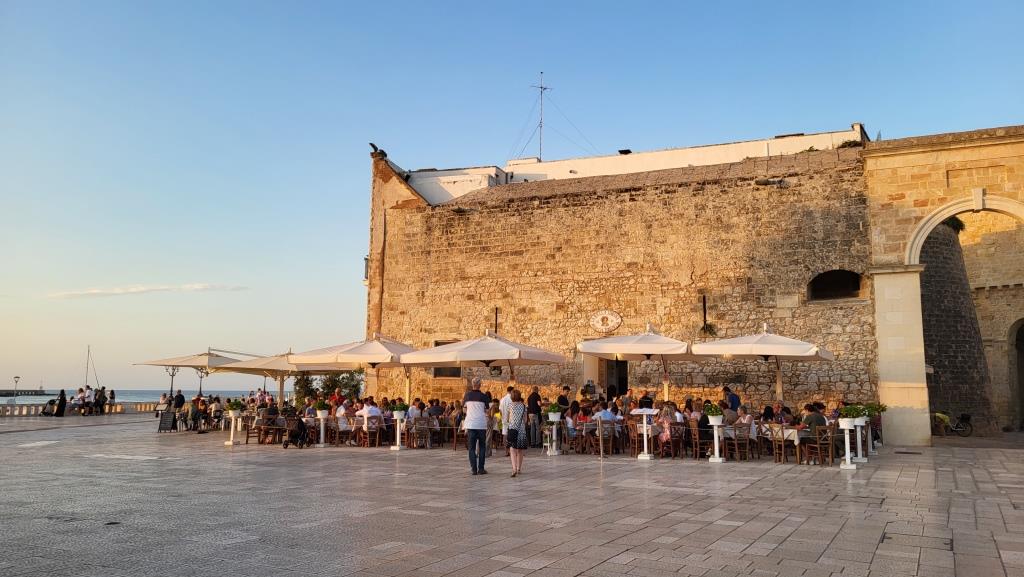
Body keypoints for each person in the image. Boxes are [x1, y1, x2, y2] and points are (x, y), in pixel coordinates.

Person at [463, 377, 489, 475]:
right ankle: (481, 469)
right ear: (480, 385)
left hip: (471, 424)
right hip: (481, 424)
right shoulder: (484, 396)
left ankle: (474, 469)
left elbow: (464, 409)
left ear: (472, 384)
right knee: (482, 447)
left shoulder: (467, 396)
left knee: (471, 448)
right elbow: (487, 411)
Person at [505, 389, 528, 477]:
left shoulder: (510, 405)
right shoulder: (523, 406)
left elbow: (507, 419)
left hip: (512, 429)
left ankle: (514, 468)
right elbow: (525, 420)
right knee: (520, 450)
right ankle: (519, 468)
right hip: (521, 430)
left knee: (512, 449)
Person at [499, 386, 513, 456]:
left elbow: (500, 410)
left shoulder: (502, 399)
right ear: (511, 391)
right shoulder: (512, 399)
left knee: (505, 435)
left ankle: (506, 451)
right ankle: (511, 451)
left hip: (504, 419)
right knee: (511, 435)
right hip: (511, 420)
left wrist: (502, 418)